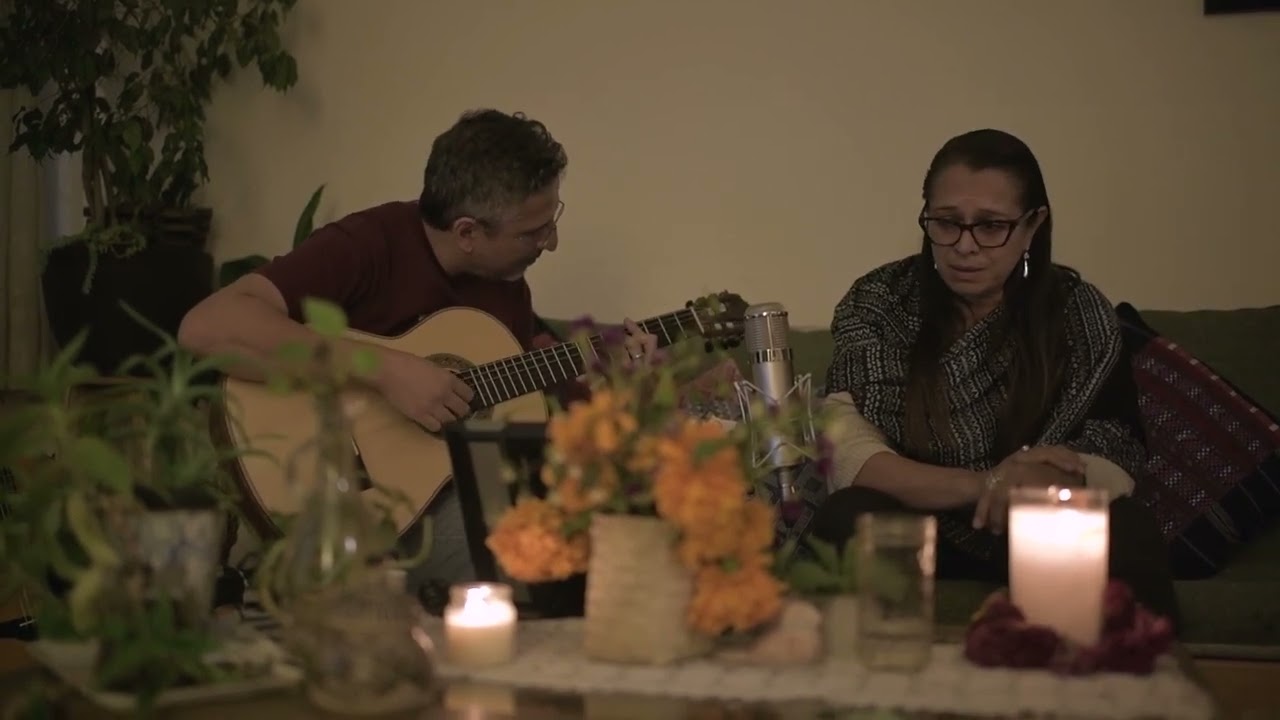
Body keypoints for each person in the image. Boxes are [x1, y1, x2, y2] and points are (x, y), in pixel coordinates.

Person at [178, 109, 659, 599]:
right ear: (468, 232)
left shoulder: (505, 290)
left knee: (628, 541)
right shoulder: (368, 244)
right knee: (540, 575)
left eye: (551, 221)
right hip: (356, 508)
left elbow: (534, 431)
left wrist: (627, 395)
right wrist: (384, 370)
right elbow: (207, 327)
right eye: (531, 232)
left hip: (450, 496)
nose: (550, 243)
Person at [810, 128, 1179, 626]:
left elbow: (1115, 450)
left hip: (1038, 523)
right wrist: (988, 484)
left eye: (990, 226)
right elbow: (848, 452)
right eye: (946, 223)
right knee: (848, 515)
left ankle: (1120, 693)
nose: (964, 246)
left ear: (1032, 226)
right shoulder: (878, 302)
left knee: (1124, 529)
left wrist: (1040, 481)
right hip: (920, 519)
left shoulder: (1076, 313)